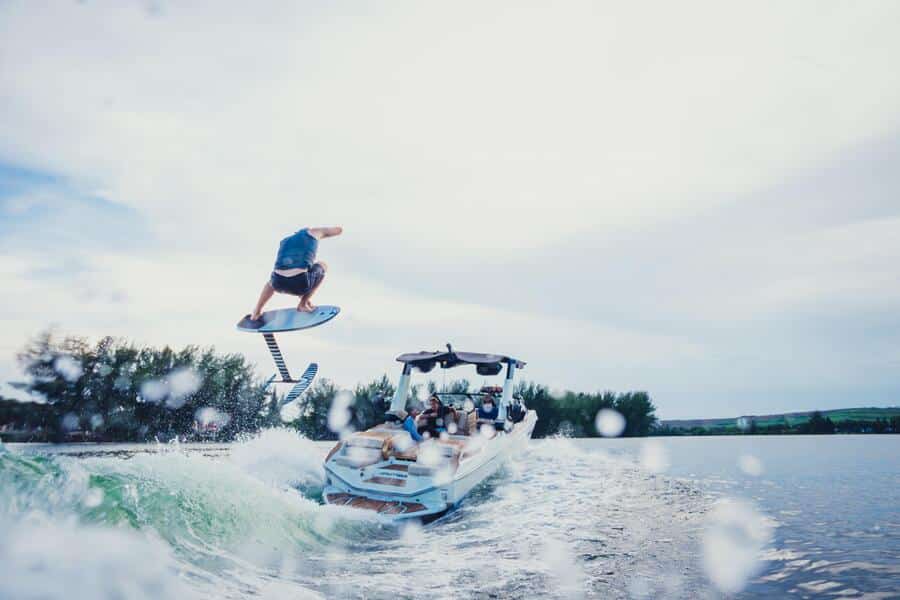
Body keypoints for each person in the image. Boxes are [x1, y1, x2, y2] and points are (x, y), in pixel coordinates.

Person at [250, 226, 343, 320]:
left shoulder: (284, 241)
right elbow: (339, 230)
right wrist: (323, 233)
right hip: (299, 284)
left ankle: (257, 311)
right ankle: (303, 303)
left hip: (278, 283)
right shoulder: (313, 232)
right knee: (322, 265)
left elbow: (291, 270)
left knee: (271, 282)